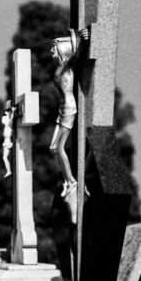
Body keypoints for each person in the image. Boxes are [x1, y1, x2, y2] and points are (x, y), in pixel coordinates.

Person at [49, 27, 89, 223]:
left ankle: (71, 183)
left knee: (58, 147)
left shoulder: (67, 66)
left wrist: (84, 41)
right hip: (62, 108)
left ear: (62, 49)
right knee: (52, 148)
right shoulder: (61, 67)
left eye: (54, 47)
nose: (51, 51)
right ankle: (69, 182)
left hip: (68, 109)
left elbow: (79, 55)